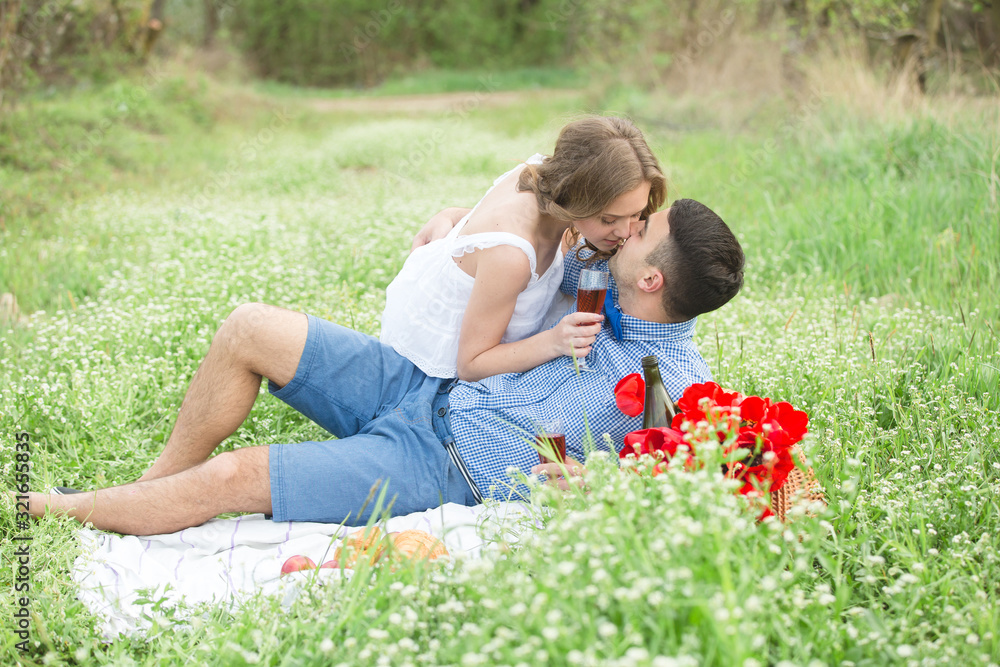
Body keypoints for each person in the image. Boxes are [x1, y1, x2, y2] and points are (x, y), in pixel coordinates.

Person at [23, 199, 744, 536]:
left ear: (652, 278)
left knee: (235, 477)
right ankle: (146, 490)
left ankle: (50, 508)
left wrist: (607, 485)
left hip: (440, 463)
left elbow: (768, 490)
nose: (625, 228)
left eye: (641, 230)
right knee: (250, 327)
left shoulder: (679, 388)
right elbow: (530, 224)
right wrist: (457, 224)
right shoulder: (593, 275)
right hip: (422, 383)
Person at [380, 115, 666, 381]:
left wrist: (454, 214)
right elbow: (471, 364)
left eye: (636, 214)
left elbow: (487, 222)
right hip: (427, 376)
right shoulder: (511, 256)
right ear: (576, 196)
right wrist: (553, 342)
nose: (627, 231)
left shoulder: (545, 176)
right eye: (609, 219)